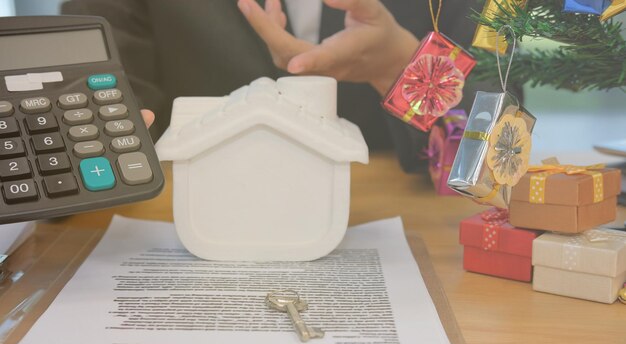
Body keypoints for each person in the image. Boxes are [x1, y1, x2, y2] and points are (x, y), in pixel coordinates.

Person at [62, 0, 487, 171]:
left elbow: (487, 152)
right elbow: (85, 106)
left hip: (395, 241)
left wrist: (402, 67)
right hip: (183, 225)